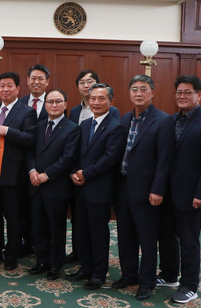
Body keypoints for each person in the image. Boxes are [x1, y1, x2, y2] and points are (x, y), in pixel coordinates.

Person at [157, 75, 201, 304]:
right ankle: (168, 275)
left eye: (187, 92)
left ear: (199, 95)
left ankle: (189, 285)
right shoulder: (172, 120)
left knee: (189, 241)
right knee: (166, 237)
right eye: (179, 93)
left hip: (192, 195)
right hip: (168, 194)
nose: (182, 96)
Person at [112, 75, 174, 300]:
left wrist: (158, 190)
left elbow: (165, 160)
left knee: (147, 239)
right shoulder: (125, 117)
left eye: (143, 89)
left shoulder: (163, 120)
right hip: (123, 187)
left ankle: (146, 282)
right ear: (129, 93)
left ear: (152, 93)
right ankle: (128, 275)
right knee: (125, 235)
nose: (138, 93)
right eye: (134, 89)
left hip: (148, 192)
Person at [67, 83, 126, 290]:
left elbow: (110, 159)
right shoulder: (84, 125)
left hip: (99, 189)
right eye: (93, 98)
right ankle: (85, 267)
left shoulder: (116, 126)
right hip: (80, 188)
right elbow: (75, 153)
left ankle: (99, 274)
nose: (96, 102)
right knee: (81, 230)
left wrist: (86, 173)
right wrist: (73, 172)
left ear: (111, 101)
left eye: (101, 98)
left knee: (98, 232)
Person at [0, 72, 37, 271]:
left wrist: (9, 132)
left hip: (14, 175)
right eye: (2, 86)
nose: (5, 89)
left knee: (14, 218)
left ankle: (12, 254)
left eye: (9, 86)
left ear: (18, 89)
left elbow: (31, 139)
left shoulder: (27, 111)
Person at [27, 89, 80, 280]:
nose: (54, 105)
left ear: (65, 104)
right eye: (50, 102)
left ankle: (55, 265)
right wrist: (32, 171)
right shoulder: (39, 126)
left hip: (56, 187)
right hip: (36, 185)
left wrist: (46, 175)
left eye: (58, 101)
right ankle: (41, 261)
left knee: (56, 229)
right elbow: (30, 152)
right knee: (38, 227)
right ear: (45, 104)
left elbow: (68, 159)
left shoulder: (72, 128)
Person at [16, 64, 51, 257]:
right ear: (27, 80)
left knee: (43, 211)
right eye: (33, 78)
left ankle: (43, 246)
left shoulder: (55, 102)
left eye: (41, 79)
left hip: (46, 166)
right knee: (23, 207)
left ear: (47, 81)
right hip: (22, 164)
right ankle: (25, 243)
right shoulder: (19, 103)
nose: (36, 82)